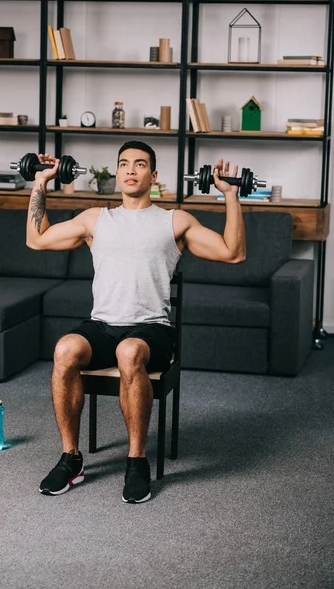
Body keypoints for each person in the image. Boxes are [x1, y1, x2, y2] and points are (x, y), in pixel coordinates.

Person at [26, 141, 246, 503]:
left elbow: (233, 253)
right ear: (116, 172)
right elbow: (36, 240)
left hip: (151, 330)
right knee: (65, 349)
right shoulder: (95, 219)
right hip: (102, 325)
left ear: (153, 175)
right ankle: (71, 458)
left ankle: (136, 460)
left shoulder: (174, 219)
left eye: (140, 164)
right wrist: (40, 183)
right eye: (124, 164)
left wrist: (231, 196)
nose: (130, 170)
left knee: (129, 352)